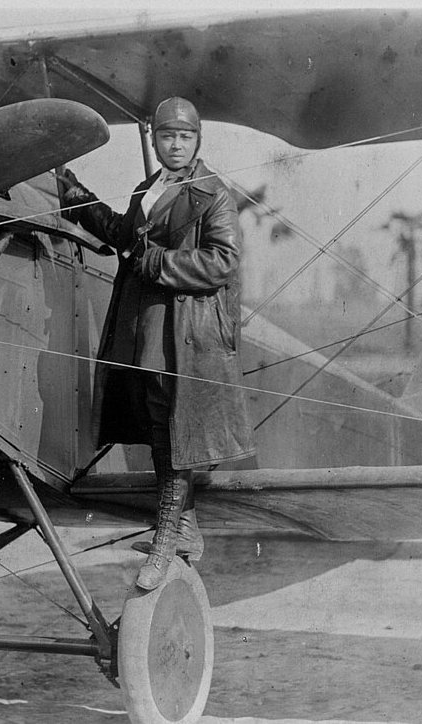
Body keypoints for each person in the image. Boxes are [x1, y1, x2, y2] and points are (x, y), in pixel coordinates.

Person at [59, 96, 255, 590]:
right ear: (155, 139)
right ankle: (184, 530)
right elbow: (121, 233)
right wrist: (75, 194)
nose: (175, 144)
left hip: (182, 331)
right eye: (167, 136)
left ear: (197, 141)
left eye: (184, 137)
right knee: (157, 422)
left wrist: (158, 264)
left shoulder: (213, 194)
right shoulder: (149, 189)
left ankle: (166, 538)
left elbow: (223, 262)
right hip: (146, 327)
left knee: (173, 429)